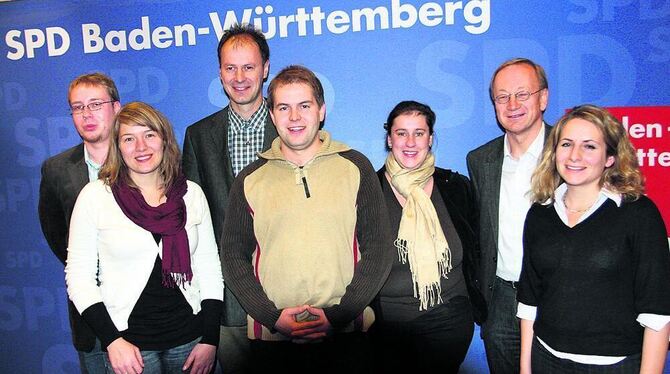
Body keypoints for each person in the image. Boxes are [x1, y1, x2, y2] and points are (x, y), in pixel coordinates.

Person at [219, 65, 393, 374]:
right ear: (272, 115)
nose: (294, 117)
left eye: (304, 106)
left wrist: (339, 315)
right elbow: (233, 256)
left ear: (321, 111)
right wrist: (271, 317)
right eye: (284, 107)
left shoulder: (355, 166)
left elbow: (378, 248)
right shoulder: (250, 178)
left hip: (346, 336)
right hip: (272, 341)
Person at [65, 102, 224, 374]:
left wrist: (210, 339)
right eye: (129, 138)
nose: (141, 147)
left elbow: (210, 268)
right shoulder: (95, 197)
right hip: (129, 347)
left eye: (149, 134)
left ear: (164, 139)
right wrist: (112, 340)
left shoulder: (191, 194)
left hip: (191, 342)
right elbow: (79, 278)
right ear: (117, 146)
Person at [517, 104, 670, 373]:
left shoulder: (638, 213)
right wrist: (525, 368)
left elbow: (657, 313)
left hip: (614, 365)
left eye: (589, 146)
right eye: (566, 144)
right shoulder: (540, 213)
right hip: (546, 359)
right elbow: (529, 300)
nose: (575, 156)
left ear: (610, 157)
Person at [182, 23, 277, 373]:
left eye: (249, 67)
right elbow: (190, 223)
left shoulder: (293, 128)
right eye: (230, 67)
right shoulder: (199, 136)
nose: (239, 77)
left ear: (265, 69)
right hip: (229, 304)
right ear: (219, 72)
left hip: (289, 300)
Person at [371, 101, 487, 373]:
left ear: (430, 138)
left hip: (448, 323)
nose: (410, 142)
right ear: (389, 139)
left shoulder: (456, 187)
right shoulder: (367, 191)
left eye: (419, 133)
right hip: (386, 329)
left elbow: (476, 249)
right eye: (401, 133)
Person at [466, 57, 550, 373]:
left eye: (522, 94)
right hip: (500, 299)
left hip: (556, 297)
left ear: (543, 98)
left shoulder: (570, 152)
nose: (512, 104)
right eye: (502, 97)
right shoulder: (480, 160)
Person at [38, 72, 121, 373]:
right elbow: (56, 235)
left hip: (145, 312)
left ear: (117, 107)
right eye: (77, 107)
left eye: (96, 104)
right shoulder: (56, 170)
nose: (86, 114)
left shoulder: (143, 158)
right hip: (90, 315)